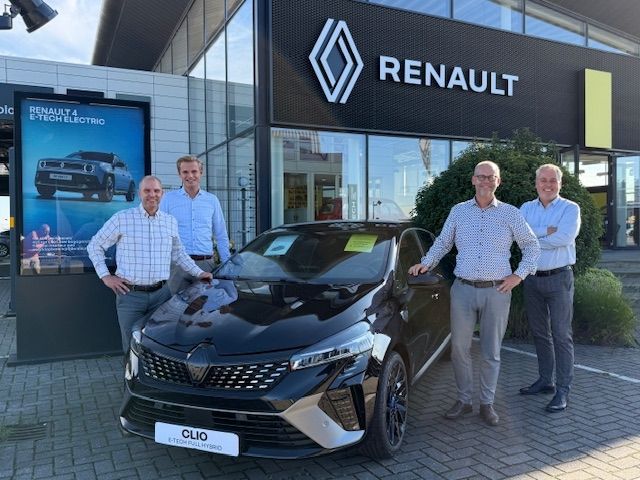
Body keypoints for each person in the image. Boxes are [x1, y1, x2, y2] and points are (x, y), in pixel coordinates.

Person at [409, 161, 540, 426]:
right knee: (459, 349)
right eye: (481, 176)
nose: (485, 181)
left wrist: (519, 275)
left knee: (491, 351)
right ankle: (464, 400)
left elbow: (531, 245)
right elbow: (443, 243)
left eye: (491, 177)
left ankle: (487, 403)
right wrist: (426, 263)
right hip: (463, 290)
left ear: (498, 181)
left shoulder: (510, 213)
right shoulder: (458, 211)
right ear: (473, 180)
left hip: (497, 291)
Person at [87, 175, 213, 353]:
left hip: (162, 296)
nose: (152, 195)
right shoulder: (122, 219)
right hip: (130, 296)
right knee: (132, 346)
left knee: (162, 344)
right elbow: (95, 246)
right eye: (147, 190)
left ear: (162, 194)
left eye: (156, 191)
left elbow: (179, 254)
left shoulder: (169, 222)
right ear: (140, 193)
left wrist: (199, 273)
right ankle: (132, 372)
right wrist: (106, 276)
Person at [519, 164, 581, 413]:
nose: (548, 184)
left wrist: (533, 238)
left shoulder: (570, 208)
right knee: (539, 333)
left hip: (559, 279)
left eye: (552, 180)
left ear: (560, 183)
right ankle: (546, 380)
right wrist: (546, 232)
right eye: (543, 180)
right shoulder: (526, 208)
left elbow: (564, 238)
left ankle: (562, 390)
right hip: (532, 279)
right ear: (536, 183)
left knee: (561, 335)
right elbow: (519, 238)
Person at [160, 155, 231, 294]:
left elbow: (221, 235)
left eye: (194, 171)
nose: (190, 176)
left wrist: (226, 263)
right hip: (178, 267)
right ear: (179, 174)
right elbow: (160, 233)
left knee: (205, 305)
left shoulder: (212, 200)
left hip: (206, 265)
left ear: (201, 173)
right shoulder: (168, 199)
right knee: (176, 305)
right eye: (185, 172)